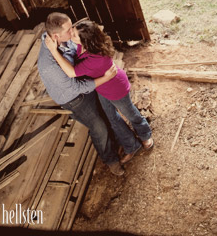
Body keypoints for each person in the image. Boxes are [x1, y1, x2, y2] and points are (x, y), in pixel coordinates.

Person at [45, 19, 153, 165]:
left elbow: (71, 73)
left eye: (74, 34)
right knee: (113, 119)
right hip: (102, 88)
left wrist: (53, 50)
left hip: (116, 89)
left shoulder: (97, 58)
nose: (71, 34)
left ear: (86, 41)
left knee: (130, 114)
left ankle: (145, 134)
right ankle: (131, 146)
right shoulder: (83, 46)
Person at [37, 12, 124, 176]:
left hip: (85, 83)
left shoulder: (62, 38)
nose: (73, 31)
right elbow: (76, 88)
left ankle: (117, 140)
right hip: (74, 98)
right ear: (56, 36)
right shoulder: (48, 64)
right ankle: (111, 160)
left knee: (107, 112)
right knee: (98, 127)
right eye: (70, 29)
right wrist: (105, 78)